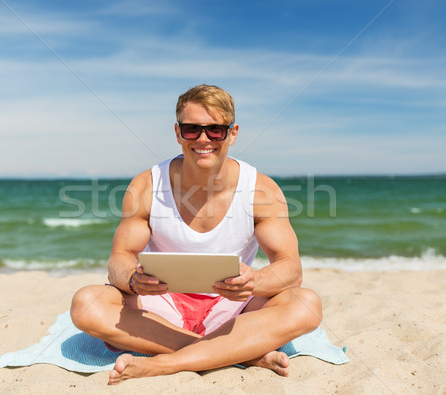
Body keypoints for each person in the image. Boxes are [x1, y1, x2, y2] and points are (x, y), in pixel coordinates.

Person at [70, 84, 322, 385]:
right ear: (178, 133)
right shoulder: (147, 185)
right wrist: (133, 280)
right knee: (86, 302)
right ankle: (239, 353)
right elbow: (119, 259)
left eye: (215, 130)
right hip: (162, 307)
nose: (203, 139)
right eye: (192, 130)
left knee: (307, 304)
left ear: (233, 133)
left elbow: (291, 269)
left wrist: (254, 281)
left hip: (232, 306)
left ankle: (167, 363)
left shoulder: (261, 190)